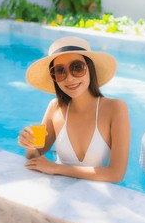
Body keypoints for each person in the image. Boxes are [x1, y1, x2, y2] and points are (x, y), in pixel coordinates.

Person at [18, 36, 130, 182]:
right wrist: (30, 144)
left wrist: (56, 168)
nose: (69, 78)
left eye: (77, 67)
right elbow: (34, 157)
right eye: (60, 71)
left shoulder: (115, 108)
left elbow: (116, 174)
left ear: (90, 68)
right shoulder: (55, 108)